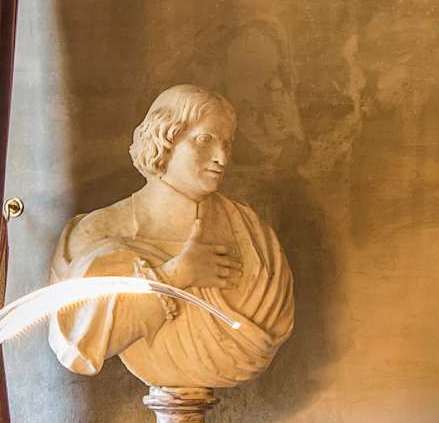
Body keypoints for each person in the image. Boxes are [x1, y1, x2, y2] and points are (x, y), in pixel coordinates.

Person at [49, 84, 294, 387]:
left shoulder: (252, 233)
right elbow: (77, 346)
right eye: (205, 139)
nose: (221, 157)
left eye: (227, 143)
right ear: (163, 137)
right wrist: (175, 276)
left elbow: (272, 320)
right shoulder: (97, 231)